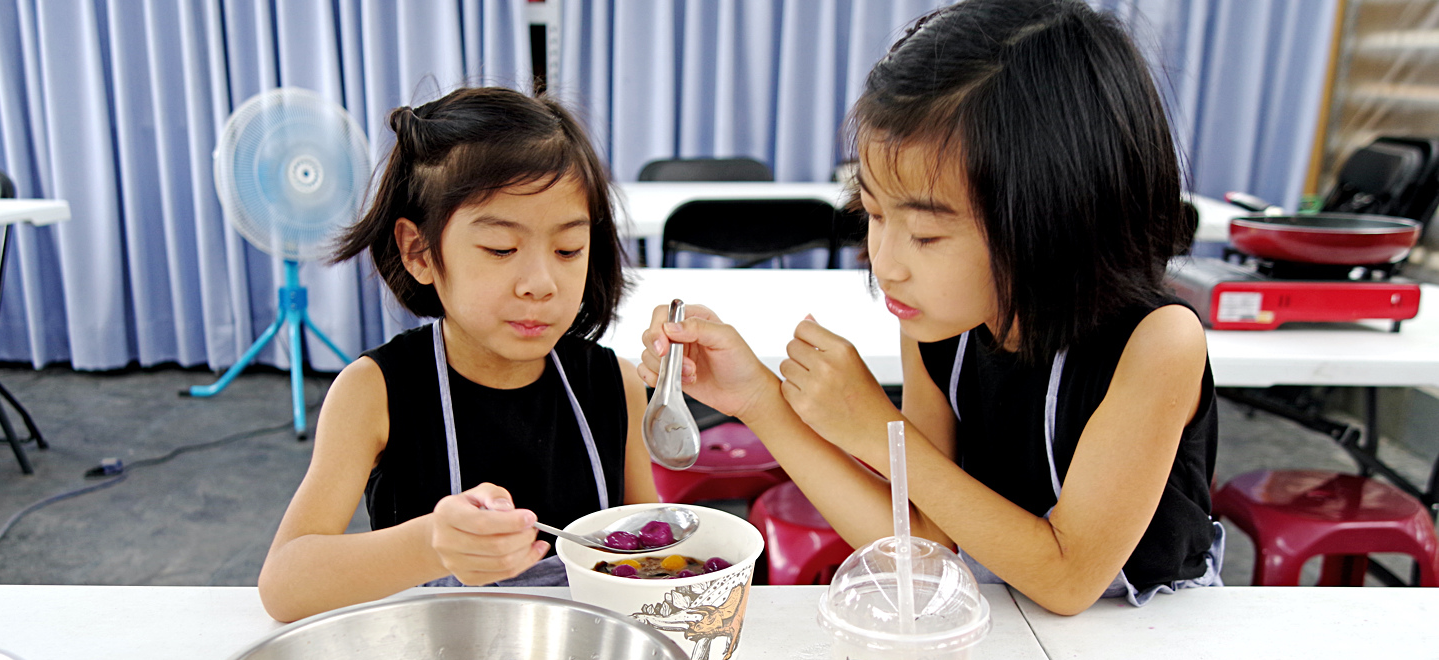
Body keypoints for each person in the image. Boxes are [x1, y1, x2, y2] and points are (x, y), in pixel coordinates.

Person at [639, 0, 1220, 616]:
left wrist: (877, 429)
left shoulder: (1157, 342)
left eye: (926, 235)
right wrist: (759, 399)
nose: (886, 262)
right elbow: (922, 546)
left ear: (1054, 219)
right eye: (874, 215)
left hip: (1147, 636)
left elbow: (1068, 579)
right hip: (1002, 620)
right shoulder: (942, 324)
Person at [259, 87, 656, 623]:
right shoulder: (375, 391)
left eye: (568, 250)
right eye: (500, 249)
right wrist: (431, 544)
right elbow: (285, 584)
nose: (541, 283)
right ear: (419, 251)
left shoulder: (615, 384)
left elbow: (646, 547)